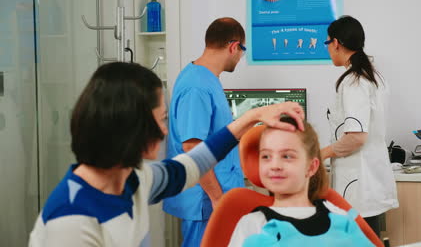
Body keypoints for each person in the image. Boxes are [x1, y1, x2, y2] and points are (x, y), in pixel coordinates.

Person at [28, 62, 305, 247]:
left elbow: (194, 164)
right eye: (161, 119)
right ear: (131, 124)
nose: (164, 132)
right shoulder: (71, 219)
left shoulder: (133, 179)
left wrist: (254, 116)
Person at [163, 17, 247, 246]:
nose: (241, 57)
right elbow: (192, 147)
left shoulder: (205, 78)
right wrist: (217, 197)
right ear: (234, 46)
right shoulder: (197, 87)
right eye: (242, 50)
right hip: (206, 200)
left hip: (214, 197)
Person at [228, 117, 373, 246]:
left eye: (287, 156)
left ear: (311, 167)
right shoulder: (253, 225)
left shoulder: (340, 218)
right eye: (266, 156)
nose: (275, 165)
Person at [320, 15, 399, 237]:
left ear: (336, 43)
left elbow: (356, 137)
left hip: (357, 182)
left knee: (360, 237)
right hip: (367, 178)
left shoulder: (354, 81)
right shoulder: (374, 77)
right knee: (369, 235)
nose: (328, 49)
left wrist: (318, 154)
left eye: (327, 43)